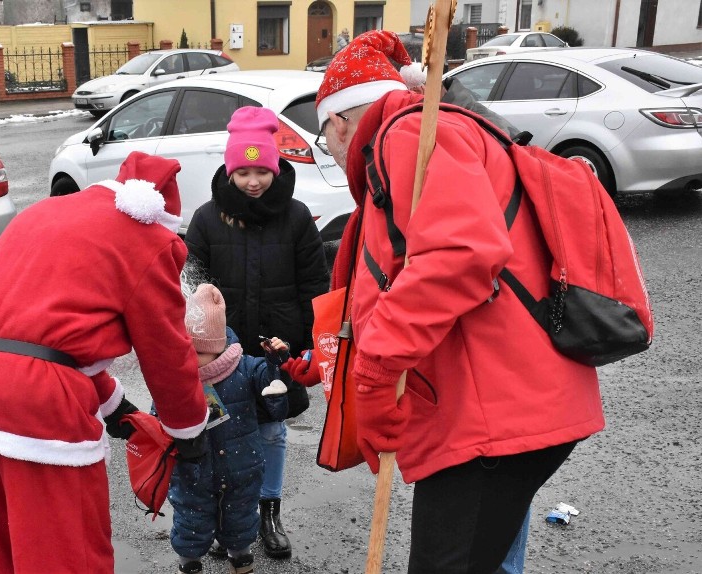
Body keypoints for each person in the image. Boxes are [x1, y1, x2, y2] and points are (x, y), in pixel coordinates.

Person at [313, 30, 605, 573]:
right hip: (497, 410)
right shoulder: (422, 132)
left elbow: (463, 253)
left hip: (491, 420)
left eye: (323, 135)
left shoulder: (408, 135)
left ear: (338, 122)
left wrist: (375, 373)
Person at [0, 151, 210, 574]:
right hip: (36, 403)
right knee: (67, 553)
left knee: (1, 545)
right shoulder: (147, 240)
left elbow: (40, 330)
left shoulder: (46, 213)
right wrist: (187, 429)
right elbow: (167, 353)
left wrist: (115, 405)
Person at [184, 106, 330, 560]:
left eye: (261, 171)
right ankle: (218, 514)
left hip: (275, 350)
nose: (253, 181)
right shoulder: (208, 218)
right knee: (215, 431)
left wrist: (306, 343)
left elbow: (315, 286)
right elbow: (189, 284)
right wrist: (195, 344)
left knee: (270, 431)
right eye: (243, 171)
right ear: (229, 170)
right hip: (216, 354)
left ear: (275, 167)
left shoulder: (297, 216)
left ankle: (267, 508)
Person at [165, 282, 291, 574]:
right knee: (190, 522)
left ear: (217, 345)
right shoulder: (177, 377)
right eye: (186, 351)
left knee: (240, 519)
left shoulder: (246, 367)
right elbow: (160, 416)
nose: (191, 360)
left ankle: (240, 558)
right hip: (192, 472)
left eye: (198, 352)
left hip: (241, 467)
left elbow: (273, 396)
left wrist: (275, 368)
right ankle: (189, 563)